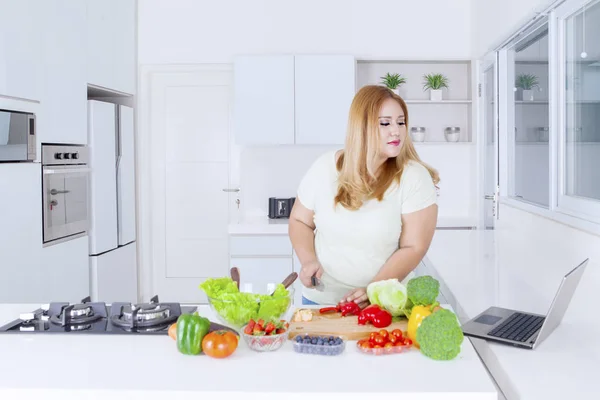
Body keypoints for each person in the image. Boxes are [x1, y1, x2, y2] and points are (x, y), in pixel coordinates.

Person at [288, 84, 440, 307]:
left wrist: (375, 289)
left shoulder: (414, 177)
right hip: (321, 302)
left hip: (384, 304)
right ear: (362, 127)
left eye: (401, 122)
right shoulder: (324, 167)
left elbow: (414, 247)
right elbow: (299, 220)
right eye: (385, 123)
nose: (396, 130)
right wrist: (308, 260)